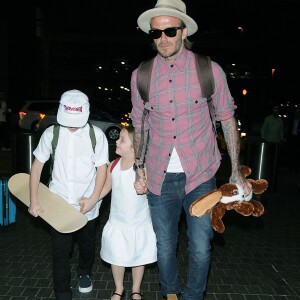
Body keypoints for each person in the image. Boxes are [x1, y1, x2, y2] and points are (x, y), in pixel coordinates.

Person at [130, 1, 251, 299]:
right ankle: (170, 293)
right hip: (159, 178)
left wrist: (236, 171)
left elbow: (226, 117)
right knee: (164, 246)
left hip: (200, 174)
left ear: (184, 31)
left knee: (200, 245)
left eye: (170, 30)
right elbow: (140, 124)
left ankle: (193, 296)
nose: (163, 38)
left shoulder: (209, 70)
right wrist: (139, 167)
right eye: (156, 33)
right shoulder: (141, 76)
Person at [28, 89, 109, 300]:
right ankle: (62, 291)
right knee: (60, 250)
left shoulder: (96, 135)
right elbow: (37, 166)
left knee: (87, 245)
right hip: (59, 203)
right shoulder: (51, 133)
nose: (73, 124)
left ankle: (84, 273)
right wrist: (34, 200)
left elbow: (103, 170)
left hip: (87, 205)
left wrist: (93, 199)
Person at [100, 125, 157, 300]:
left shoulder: (143, 167)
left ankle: (136, 289)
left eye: (122, 139)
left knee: (137, 256)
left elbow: (151, 189)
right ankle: (119, 288)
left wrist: (144, 186)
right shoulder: (114, 165)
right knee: (116, 256)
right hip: (118, 221)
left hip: (138, 222)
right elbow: (106, 188)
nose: (117, 141)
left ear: (135, 147)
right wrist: (93, 199)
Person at [287, 108, 300, 173]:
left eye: (298, 112)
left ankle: (296, 168)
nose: (297, 114)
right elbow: (289, 129)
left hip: (298, 139)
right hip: (292, 138)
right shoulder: (292, 120)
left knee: (297, 154)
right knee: (291, 153)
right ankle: (290, 168)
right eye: (296, 112)